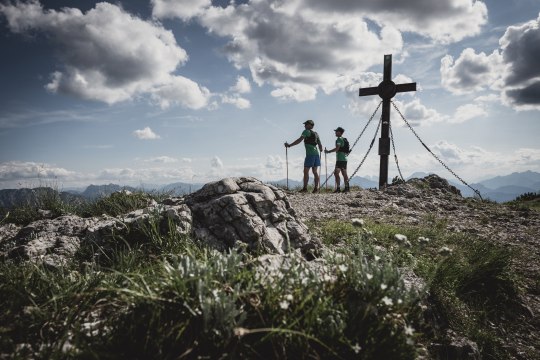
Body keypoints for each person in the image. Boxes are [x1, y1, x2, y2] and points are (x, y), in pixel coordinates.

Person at [284, 120, 323, 193]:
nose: (304, 126)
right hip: (316, 154)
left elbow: (299, 140)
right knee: (315, 172)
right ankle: (316, 189)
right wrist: (321, 149)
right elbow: (320, 146)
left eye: (305, 124)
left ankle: (305, 189)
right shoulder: (316, 134)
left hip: (310, 154)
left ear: (309, 125)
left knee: (305, 171)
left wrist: (289, 145)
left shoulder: (306, 131)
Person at [325, 126, 350, 193]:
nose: (335, 133)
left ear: (339, 132)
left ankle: (338, 188)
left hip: (340, 159)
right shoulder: (344, 139)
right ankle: (347, 188)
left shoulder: (339, 139)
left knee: (336, 173)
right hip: (344, 159)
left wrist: (328, 151)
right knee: (344, 173)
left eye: (336, 131)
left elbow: (337, 149)